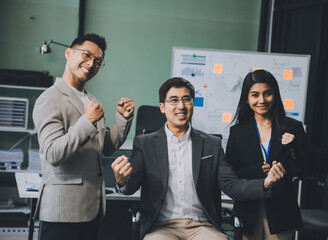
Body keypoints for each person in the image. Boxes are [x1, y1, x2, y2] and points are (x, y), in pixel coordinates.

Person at [111, 77, 287, 240]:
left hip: (203, 227)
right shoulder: (145, 143)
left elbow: (232, 185)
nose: (181, 106)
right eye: (174, 100)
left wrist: (265, 183)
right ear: (162, 107)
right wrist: (121, 180)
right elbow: (130, 185)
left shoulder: (211, 144)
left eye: (186, 99)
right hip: (161, 227)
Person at [32, 33, 134, 240]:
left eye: (98, 61)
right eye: (87, 55)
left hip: (92, 209)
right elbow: (53, 153)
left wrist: (122, 119)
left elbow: (106, 146)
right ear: (69, 53)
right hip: (62, 213)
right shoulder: (49, 99)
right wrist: (87, 122)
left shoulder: (91, 99)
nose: (92, 63)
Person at [226, 69, 307, 240]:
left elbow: (303, 170)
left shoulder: (292, 128)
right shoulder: (237, 132)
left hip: (282, 208)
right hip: (248, 209)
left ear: (275, 95)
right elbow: (230, 174)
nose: (262, 100)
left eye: (267, 93)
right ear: (247, 99)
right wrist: (257, 170)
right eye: (255, 95)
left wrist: (292, 148)